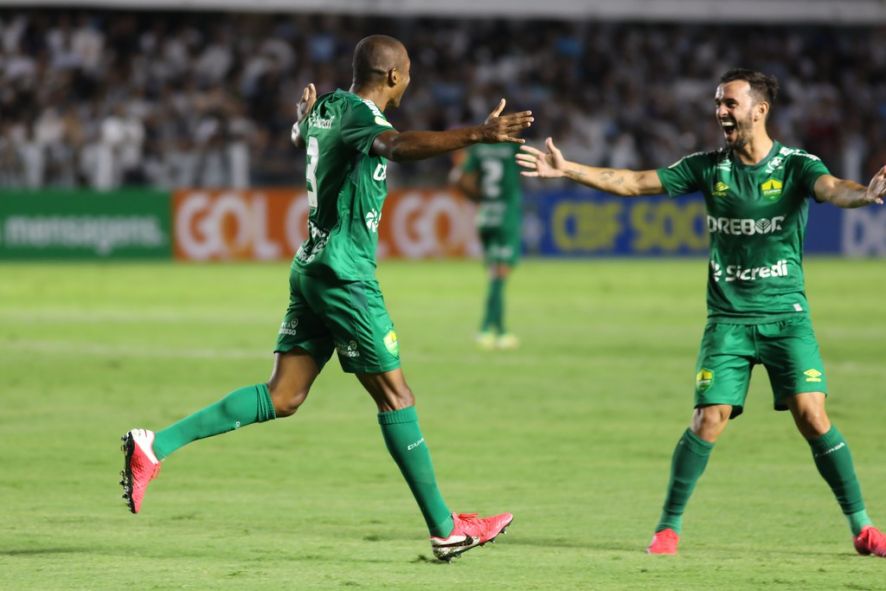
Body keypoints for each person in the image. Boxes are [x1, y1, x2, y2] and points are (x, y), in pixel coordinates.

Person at [120, 34, 533, 562]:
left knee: (284, 395)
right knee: (396, 397)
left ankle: (154, 446)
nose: (409, 81)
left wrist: (301, 122)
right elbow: (396, 147)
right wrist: (478, 133)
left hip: (312, 265)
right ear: (393, 76)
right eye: (407, 73)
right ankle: (446, 529)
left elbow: (304, 137)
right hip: (345, 275)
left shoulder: (329, 107)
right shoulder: (363, 118)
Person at [516, 68, 886, 557]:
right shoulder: (709, 167)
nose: (720, 111)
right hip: (728, 321)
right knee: (707, 419)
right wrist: (570, 170)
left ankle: (863, 527)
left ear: (760, 110)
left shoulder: (797, 165)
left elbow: (832, 187)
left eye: (730, 103)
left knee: (812, 416)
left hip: (786, 317)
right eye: (718, 103)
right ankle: (667, 528)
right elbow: (635, 182)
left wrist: (864, 194)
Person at [452, 141, 523, 349]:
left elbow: (458, 178)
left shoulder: (477, 149)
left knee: (494, 274)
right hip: (506, 216)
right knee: (500, 275)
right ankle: (491, 329)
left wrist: (478, 198)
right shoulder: (513, 148)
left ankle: (495, 330)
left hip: (485, 216)